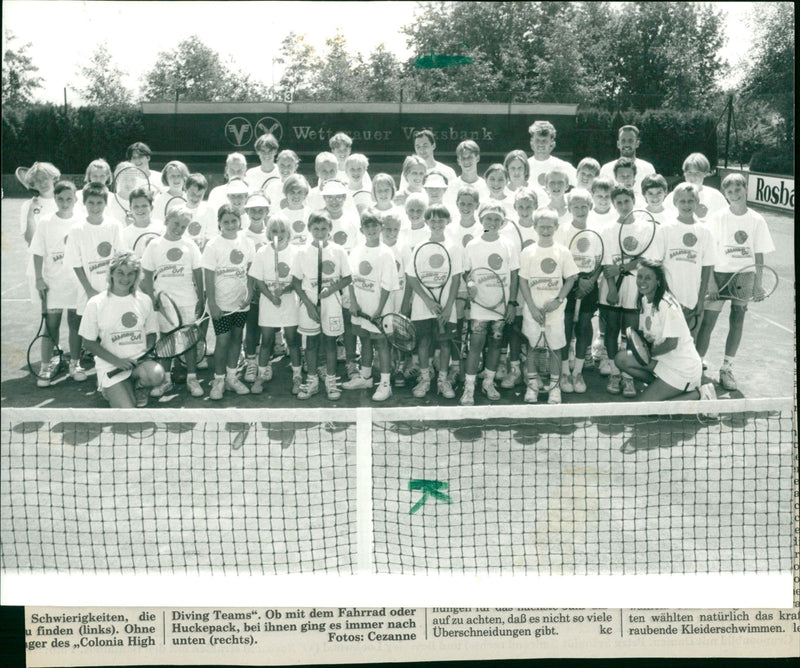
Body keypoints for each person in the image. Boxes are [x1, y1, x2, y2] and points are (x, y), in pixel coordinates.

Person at [695, 173, 775, 392]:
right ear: (725, 194)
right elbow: (708, 251)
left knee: (737, 319)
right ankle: (696, 366)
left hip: (744, 276)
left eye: (738, 190)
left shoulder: (757, 219)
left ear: (745, 189)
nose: (734, 195)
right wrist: (710, 281)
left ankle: (727, 368)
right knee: (707, 322)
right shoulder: (718, 217)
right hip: (719, 274)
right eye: (729, 192)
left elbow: (758, 255)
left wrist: (758, 283)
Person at [614, 259, 713, 401]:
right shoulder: (644, 300)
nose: (642, 281)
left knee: (643, 408)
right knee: (621, 359)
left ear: (658, 281)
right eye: (640, 277)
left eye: (648, 278)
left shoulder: (667, 306)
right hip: (663, 363)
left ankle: (699, 395)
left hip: (682, 370)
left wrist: (647, 353)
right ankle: (662, 387)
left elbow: (671, 344)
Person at [599, 184, 662, 398]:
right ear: (613, 204)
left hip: (636, 290)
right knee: (611, 332)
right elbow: (608, 265)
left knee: (632, 334)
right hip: (612, 291)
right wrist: (611, 289)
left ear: (634, 201)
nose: (623, 206)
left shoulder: (646, 227)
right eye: (619, 202)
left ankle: (628, 377)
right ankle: (614, 372)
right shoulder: (608, 229)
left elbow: (648, 259)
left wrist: (623, 268)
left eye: (627, 201)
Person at [79, 251, 159, 408]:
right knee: (127, 412)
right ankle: (109, 388)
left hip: (139, 363)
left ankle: (139, 386)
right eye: (120, 272)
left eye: (131, 274)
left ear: (136, 276)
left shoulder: (144, 300)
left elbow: (151, 333)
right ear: (111, 274)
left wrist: (147, 352)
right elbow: (88, 343)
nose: (125, 278)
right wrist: (118, 362)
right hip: (111, 365)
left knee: (156, 374)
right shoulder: (96, 303)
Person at [140, 207, 204, 398]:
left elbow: (197, 272)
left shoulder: (190, 245)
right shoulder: (154, 245)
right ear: (167, 220)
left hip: (187, 300)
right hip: (165, 303)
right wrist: (152, 298)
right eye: (176, 223)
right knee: (166, 342)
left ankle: (192, 378)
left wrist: (201, 298)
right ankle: (166, 380)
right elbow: (147, 275)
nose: (179, 228)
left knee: (189, 341)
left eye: (184, 226)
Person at [460, 202, 518, 406]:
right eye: (488, 219)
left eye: (496, 219)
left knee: (495, 345)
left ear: (502, 223)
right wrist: (469, 283)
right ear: (481, 220)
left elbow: (514, 275)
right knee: (475, 345)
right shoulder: (472, 245)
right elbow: (466, 272)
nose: (492, 223)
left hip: (500, 307)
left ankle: (488, 382)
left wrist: (511, 303)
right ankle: (469, 387)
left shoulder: (509, 245)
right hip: (479, 306)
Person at [518, 208, 577, 404]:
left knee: (555, 349)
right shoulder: (528, 252)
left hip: (555, 312)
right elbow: (523, 282)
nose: (545, 230)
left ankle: (554, 388)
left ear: (556, 227)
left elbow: (571, 278)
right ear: (534, 227)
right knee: (532, 348)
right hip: (532, 311)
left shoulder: (563, 252)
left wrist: (558, 300)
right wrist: (533, 309)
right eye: (541, 226)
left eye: (549, 227)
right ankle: (533, 386)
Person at [292, 211, 352, 401]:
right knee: (311, 343)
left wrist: (331, 289)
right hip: (309, 305)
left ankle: (331, 381)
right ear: (309, 229)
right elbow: (295, 282)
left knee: (330, 343)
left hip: (332, 305)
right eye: (316, 229)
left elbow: (348, 278)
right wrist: (309, 305)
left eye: (324, 229)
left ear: (330, 230)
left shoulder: (338, 251)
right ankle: (312, 381)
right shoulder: (301, 252)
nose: (320, 232)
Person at [29, 180, 84, 385]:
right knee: (51, 326)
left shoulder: (82, 221)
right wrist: (39, 278)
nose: (64, 202)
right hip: (53, 284)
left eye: (69, 198)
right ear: (55, 199)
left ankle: (75, 363)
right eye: (60, 199)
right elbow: (37, 252)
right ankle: (46, 366)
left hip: (76, 284)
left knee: (75, 325)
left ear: (76, 199)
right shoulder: (45, 222)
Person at [405, 203, 462, 400]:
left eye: (441, 219)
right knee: (424, 342)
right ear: (426, 221)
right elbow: (411, 277)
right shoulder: (420, 247)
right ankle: (425, 379)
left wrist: (447, 308)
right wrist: (428, 301)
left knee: (445, 345)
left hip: (446, 308)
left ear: (448, 221)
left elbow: (456, 279)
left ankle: (443, 380)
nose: (436, 223)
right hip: (423, 308)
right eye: (432, 220)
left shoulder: (454, 247)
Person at [201, 203, 256, 400]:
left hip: (240, 303)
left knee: (236, 339)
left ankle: (232, 377)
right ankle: (219, 380)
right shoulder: (212, 245)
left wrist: (249, 294)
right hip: (221, 305)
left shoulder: (247, 242)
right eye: (226, 222)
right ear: (219, 223)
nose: (230, 225)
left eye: (234, 221)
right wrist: (213, 304)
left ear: (240, 221)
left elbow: (250, 271)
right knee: (222, 342)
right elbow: (208, 278)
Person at [343, 209, 399, 401]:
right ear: (362, 229)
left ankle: (385, 384)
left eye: (375, 225)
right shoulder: (357, 250)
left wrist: (379, 310)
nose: (372, 229)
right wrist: (353, 303)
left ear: (381, 227)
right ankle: (366, 378)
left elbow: (387, 286)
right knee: (365, 341)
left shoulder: (386, 253)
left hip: (380, 311)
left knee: (382, 344)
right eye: (368, 225)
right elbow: (350, 279)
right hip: (360, 308)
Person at [249, 214, 303, 395]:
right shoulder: (262, 252)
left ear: (288, 233)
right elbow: (258, 281)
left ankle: (297, 375)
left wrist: (286, 289)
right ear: (268, 232)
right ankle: (261, 374)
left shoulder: (296, 252)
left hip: (289, 303)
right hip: (268, 303)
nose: (278, 234)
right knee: (266, 341)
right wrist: (272, 297)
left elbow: (298, 279)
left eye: (282, 231)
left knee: (293, 340)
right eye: (274, 231)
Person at [657, 182, 715, 340]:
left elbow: (707, 268)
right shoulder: (665, 229)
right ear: (675, 202)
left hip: (692, 300)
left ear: (697, 203)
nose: (686, 205)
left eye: (691, 201)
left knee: (688, 341)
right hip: (667, 298)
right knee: (665, 340)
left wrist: (700, 300)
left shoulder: (705, 231)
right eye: (682, 201)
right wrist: (665, 296)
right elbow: (656, 265)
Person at [64, 182, 128, 323]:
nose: (95, 207)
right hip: (88, 291)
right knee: (88, 332)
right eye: (90, 203)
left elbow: (121, 258)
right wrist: (89, 290)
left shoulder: (115, 225)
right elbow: (75, 263)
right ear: (84, 203)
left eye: (99, 203)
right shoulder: (76, 230)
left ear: (106, 203)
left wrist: (115, 287)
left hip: (112, 290)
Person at [556, 189, 599, 394]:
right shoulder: (563, 230)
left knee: (583, 327)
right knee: (564, 329)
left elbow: (600, 260)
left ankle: (578, 372)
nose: (580, 210)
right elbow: (561, 261)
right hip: (568, 285)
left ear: (590, 207)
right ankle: (565, 372)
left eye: (584, 206)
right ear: (569, 208)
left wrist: (589, 281)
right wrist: (575, 282)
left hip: (589, 286)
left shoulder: (597, 230)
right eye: (576, 206)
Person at [20, 162, 60, 314]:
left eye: (45, 178)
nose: (42, 183)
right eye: (37, 180)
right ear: (32, 184)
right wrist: (31, 214)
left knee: (75, 319)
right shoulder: (27, 206)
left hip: (66, 269)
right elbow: (30, 240)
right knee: (50, 321)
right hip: (40, 270)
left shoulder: (67, 200)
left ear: (53, 178)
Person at [241, 193, 270, 382]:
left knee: (268, 329)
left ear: (267, 211)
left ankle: (265, 363)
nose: (257, 213)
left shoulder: (273, 232)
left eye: (261, 210)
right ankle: (251, 361)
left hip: (269, 290)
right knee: (251, 327)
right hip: (251, 289)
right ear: (246, 211)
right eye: (253, 210)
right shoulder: (242, 235)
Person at [667, 152, 728, 219]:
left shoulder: (716, 196)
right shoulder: (672, 197)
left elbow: (727, 219)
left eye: (697, 173)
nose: (692, 177)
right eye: (689, 172)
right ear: (684, 173)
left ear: (705, 173)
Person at [599, 125, 655, 193]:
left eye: (630, 140)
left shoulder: (648, 169)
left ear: (637, 143)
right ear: (618, 144)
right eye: (623, 141)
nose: (627, 144)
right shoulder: (606, 169)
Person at [527, 120, 577, 188]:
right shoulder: (524, 167)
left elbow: (583, 185)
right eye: (537, 140)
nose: (541, 144)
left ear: (552, 143)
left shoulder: (562, 166)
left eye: (544, 140)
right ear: (531, 142)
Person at [445, 140, 489, 209]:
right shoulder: (451, 187)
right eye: (463, 158)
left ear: (477, 158)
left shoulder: (486, 186)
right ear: (458, 161)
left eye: (470, 157)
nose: (466, 161)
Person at [121, 188, 165, 257]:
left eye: (144, 206)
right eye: (136, 206)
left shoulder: (162, 227)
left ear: (151, 207)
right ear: (130, 208)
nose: (140, 209)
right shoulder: (125, 234)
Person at [183, 173, 216, 252]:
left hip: (202, 254)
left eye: (200, 195)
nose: (195, 198)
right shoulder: (179, 210)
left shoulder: (209, 210)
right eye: (193, 194)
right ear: (185, 189)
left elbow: (211, 236)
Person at [280, 174, 311, 246]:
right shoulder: (279, 216)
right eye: (292, 192)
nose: (296, 196)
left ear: (305, 194)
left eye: (299, 192)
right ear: (286, 194)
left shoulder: (312, 214)